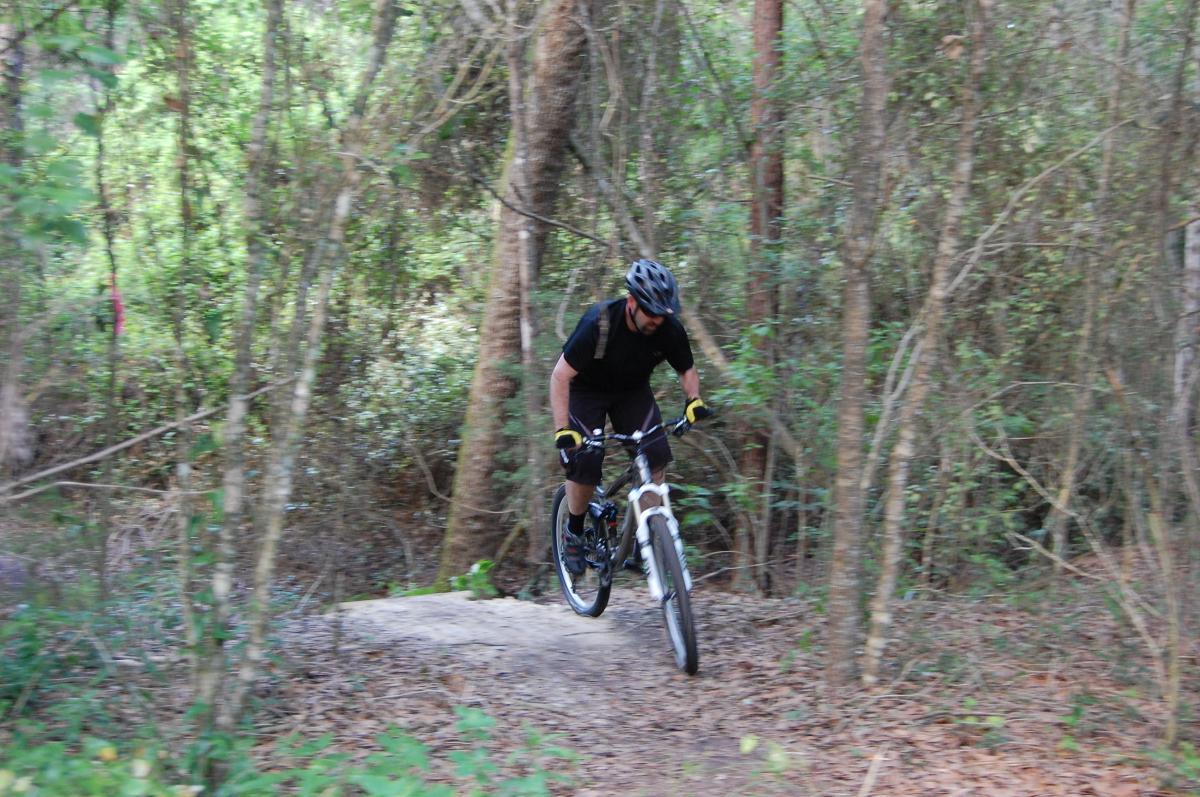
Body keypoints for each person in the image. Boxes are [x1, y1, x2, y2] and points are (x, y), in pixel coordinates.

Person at [549, 258, 713, 576]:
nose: (656, 321)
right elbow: (560, 376)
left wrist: (693, 401)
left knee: (654, 459)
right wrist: (562, 429)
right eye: (650, 313)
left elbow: (686, 368)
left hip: (631, 393)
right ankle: (575, 530)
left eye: (662, 315)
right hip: (586, 391)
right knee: (585, 460)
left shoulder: (667, 327)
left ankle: (647, 537)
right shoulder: (598, 323)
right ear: (632, 301)